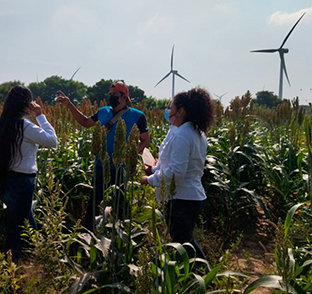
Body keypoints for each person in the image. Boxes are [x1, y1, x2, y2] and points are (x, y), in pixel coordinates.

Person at [56, 81, 150, 230]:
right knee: (94, 205)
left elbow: (145, 141)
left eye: (115, 95)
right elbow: (85, 122)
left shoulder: (137, 116)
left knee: (120, 206)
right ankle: (88, 236)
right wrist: (69, 106)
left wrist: (130, 155)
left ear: (124, 97)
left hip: (122, 170)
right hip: (101, 166)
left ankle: (119, 237)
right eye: (110, 94)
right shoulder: (103, 111)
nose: (111, 97)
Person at [141, 87, 214, 269]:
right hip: (191, 195)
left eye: (170, 107)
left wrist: (149, 180)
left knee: (183, 242)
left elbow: (176, 173)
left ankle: (202, 276)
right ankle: (195, 275)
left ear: (181, 111)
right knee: (184, 239)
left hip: (182, 198)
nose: (168, 110)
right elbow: (174, 164)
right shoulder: (193, 132)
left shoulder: (183, 134)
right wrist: (154, 169)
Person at [0, 85, 58, 261]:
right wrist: (40, 116)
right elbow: (53, 141)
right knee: (16, 229)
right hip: (22, 182)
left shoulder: (2, 125)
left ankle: (41, 255)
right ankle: (11, 266)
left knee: (26, 220)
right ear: (26, 104)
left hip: (7, 179)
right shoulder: (24, 126)